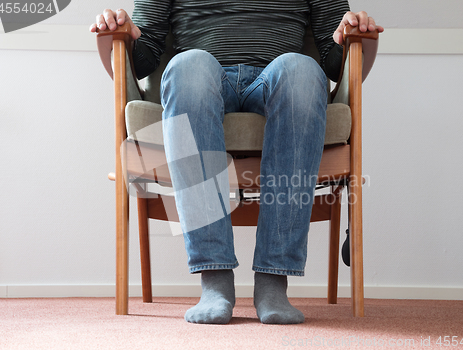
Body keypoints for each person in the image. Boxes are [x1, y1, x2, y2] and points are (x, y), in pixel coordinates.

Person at [90, 1, 383, 325]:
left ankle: (273, 281)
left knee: (303, 70)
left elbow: (333, 59)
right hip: (201, 78)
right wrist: (117, 33)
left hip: (280, 77)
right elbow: (143, 57)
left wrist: (356, 31)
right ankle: (214, 278)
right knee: (186, 66)